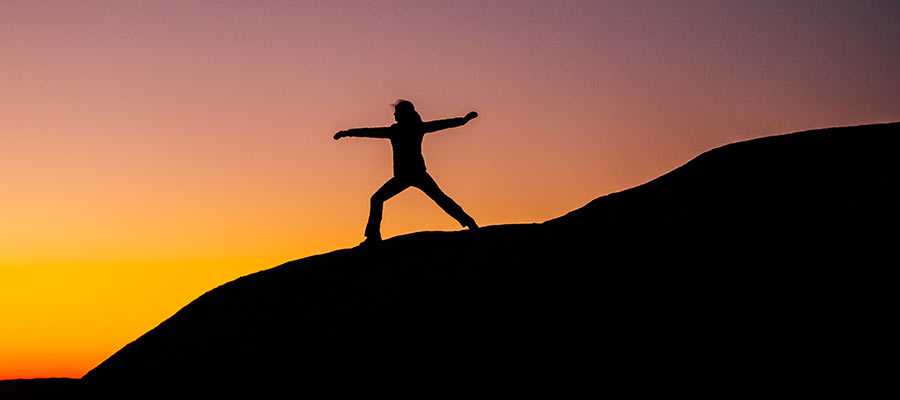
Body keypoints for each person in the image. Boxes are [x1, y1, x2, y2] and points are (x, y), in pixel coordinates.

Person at [334, 100, 479, 245]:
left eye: (397, 112)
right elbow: (369, 132)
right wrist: (347, 133)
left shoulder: (407, 129)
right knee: (439, 199)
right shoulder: (410, 129)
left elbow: (442, 124)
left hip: (413, 174)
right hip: (408, 175)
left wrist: (463, 120)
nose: (394, 115)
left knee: (380, 199)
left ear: (403, 114)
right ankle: (469, 222)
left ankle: (373, 237)